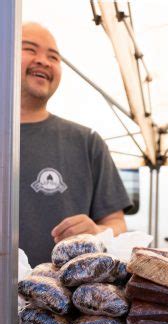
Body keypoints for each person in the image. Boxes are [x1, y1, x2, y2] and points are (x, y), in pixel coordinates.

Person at [20, 22, 131, 267]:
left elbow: (118, 225)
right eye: (30, 49)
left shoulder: (86, 141)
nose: (44, 61)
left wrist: (97, 231)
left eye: (53, 57)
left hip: (61, 299)